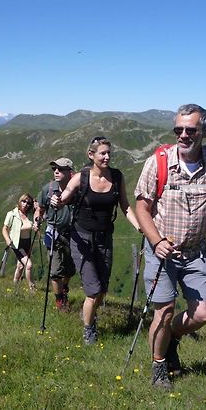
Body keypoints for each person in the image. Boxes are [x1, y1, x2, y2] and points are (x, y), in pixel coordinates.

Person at [135, 104, 206, 389]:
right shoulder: (158, 162)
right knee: (165, 310)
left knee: (203, 314)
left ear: (204, 131)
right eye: (178, 129)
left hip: (195, 252)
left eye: (190, 130)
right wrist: (156, 241)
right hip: (162, 251)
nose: (183, 135)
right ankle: (159, 366)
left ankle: (170, 338)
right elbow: (142, 208)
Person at [51, 139, 139, 344]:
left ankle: (88, 314)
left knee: (102, 289)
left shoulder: (116, 177)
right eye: (102, 154)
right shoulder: (80, 178)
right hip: (81, 238)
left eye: (109, 153)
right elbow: (63, 199)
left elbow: (125, 206)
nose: (107, 157)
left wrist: (139, 226)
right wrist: (56, 201)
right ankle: (89, 330)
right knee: (93, 290)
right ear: (91, 155)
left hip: (104, 239)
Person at [34, 158, 76, 312]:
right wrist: (37, 219)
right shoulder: (48, 189)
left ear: (70, 172)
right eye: (54, 169)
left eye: (60, 169)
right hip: (54, 233)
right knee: (55, 271)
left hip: (72, 235)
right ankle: (60, 302)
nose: (56, 171)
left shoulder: (77, 189)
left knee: (70, 269)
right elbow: (40, 208)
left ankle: (64, 287)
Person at [2, 193, 36, 291]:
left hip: (27, 243)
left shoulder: (30, 214)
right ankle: (32, 288)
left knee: (20, 266)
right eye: (23, 201)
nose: (25, 204)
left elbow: (40, 213)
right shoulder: (12, 214)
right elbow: (4, 228)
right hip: (17, 244)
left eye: (28, 203)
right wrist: (8, 240)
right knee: (28, 265)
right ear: (20, 201)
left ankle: (15, 285)